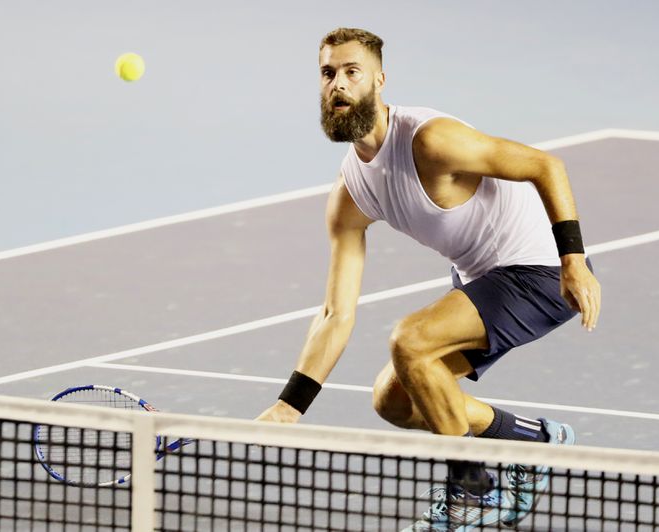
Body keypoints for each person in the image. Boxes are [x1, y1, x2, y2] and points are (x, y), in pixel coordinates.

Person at [256, 27, 601, 531]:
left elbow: (545, 165)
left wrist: (573, 259)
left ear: (379, 79)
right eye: (328, 73)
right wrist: (290, 406)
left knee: (411, 340)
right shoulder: (351, 193)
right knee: (393, 400)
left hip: (542, 270)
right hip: (483, 279)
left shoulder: (431, 141)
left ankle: (471, 494)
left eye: (352, 72)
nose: (338, 84)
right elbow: (335, 313)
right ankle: (534, 442)